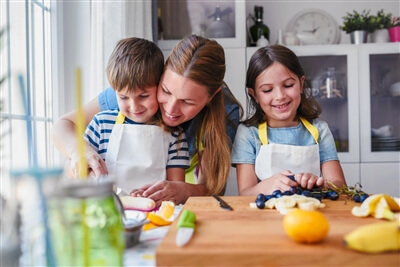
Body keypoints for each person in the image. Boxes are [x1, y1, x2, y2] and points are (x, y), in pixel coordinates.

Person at [51, 35, 242, 205]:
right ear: (161, 76)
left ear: (211, 97)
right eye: (166, 91)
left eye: (187, 102)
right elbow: (64, 125)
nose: (170, 109)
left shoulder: (225, 112)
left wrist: (182, 190)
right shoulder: (134, 91)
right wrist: (79, 154)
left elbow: (211, 187)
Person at [231, 44, 346, 196]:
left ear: (301, 83)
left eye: (288, 85)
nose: (280, 96)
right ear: (254, 94)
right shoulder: (248, 133)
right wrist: (265, 186)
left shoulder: (319, 130)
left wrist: (319, 184)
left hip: (310, 215)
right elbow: (245, 193)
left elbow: (339, 186)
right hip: (264, 218)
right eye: (267, 90)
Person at [83, 37, 189, 193]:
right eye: (123, 97)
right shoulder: (101, 124)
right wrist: (90, 176)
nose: (134, 106)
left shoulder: (175, 134)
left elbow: (175, 188)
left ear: (159, 87)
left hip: (154, 211)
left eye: (143, 96)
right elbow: (76, 170)